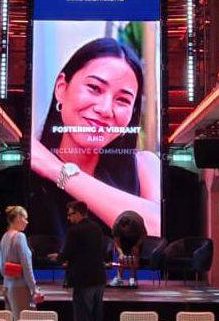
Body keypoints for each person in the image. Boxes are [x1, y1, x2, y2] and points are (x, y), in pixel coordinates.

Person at [30, 38, 161, 248]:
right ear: (61, 88)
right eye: (94, 88)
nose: (105, 109)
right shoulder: (27, 167)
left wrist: (56, 170)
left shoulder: (144, 165)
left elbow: (155, 229)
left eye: (123, 100)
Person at [60, 200, 108, 321]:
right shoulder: (97, 228)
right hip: (99, 280)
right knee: (96, 320)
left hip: (83, 281)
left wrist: (58, 258)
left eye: (71, 214)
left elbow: (66, 254)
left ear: (79, 213)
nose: (68, 218)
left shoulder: (75, 231)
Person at [0, 204, 41, 320]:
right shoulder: (20, 236)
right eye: (25, 218)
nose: (27, 222)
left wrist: (6, 282)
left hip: (8, 287)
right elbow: (27, 266)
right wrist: (34, 288)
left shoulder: (5, 237)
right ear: (18, 218)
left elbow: (2, 267)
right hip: (20, 288)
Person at [111, 209, 148, 288]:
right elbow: (117, 242)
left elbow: (143, 235)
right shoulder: (116, 226)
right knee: (121, 257)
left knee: (135, 254)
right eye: (123, 229)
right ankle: (119, 278)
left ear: (130, 225)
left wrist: (136, 246)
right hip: (123, 239)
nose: (126, 231)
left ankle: (132, 278)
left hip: (136, 237)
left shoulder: (137, 224)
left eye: (127, 229)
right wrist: (121, 253)